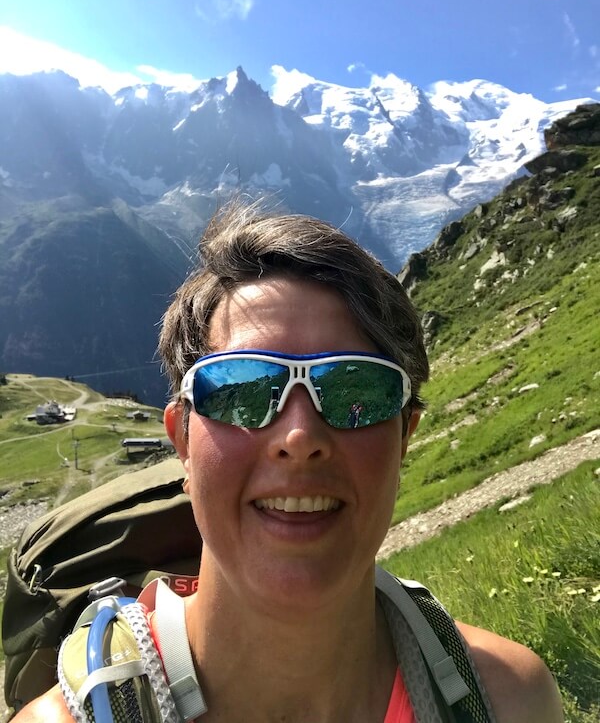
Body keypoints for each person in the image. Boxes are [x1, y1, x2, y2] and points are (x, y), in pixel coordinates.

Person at [14, 202, 563, 722]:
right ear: (181, 438)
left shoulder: (514, 701)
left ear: (404, 437)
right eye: (242, 388)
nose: (299, 436)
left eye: (357, 390)